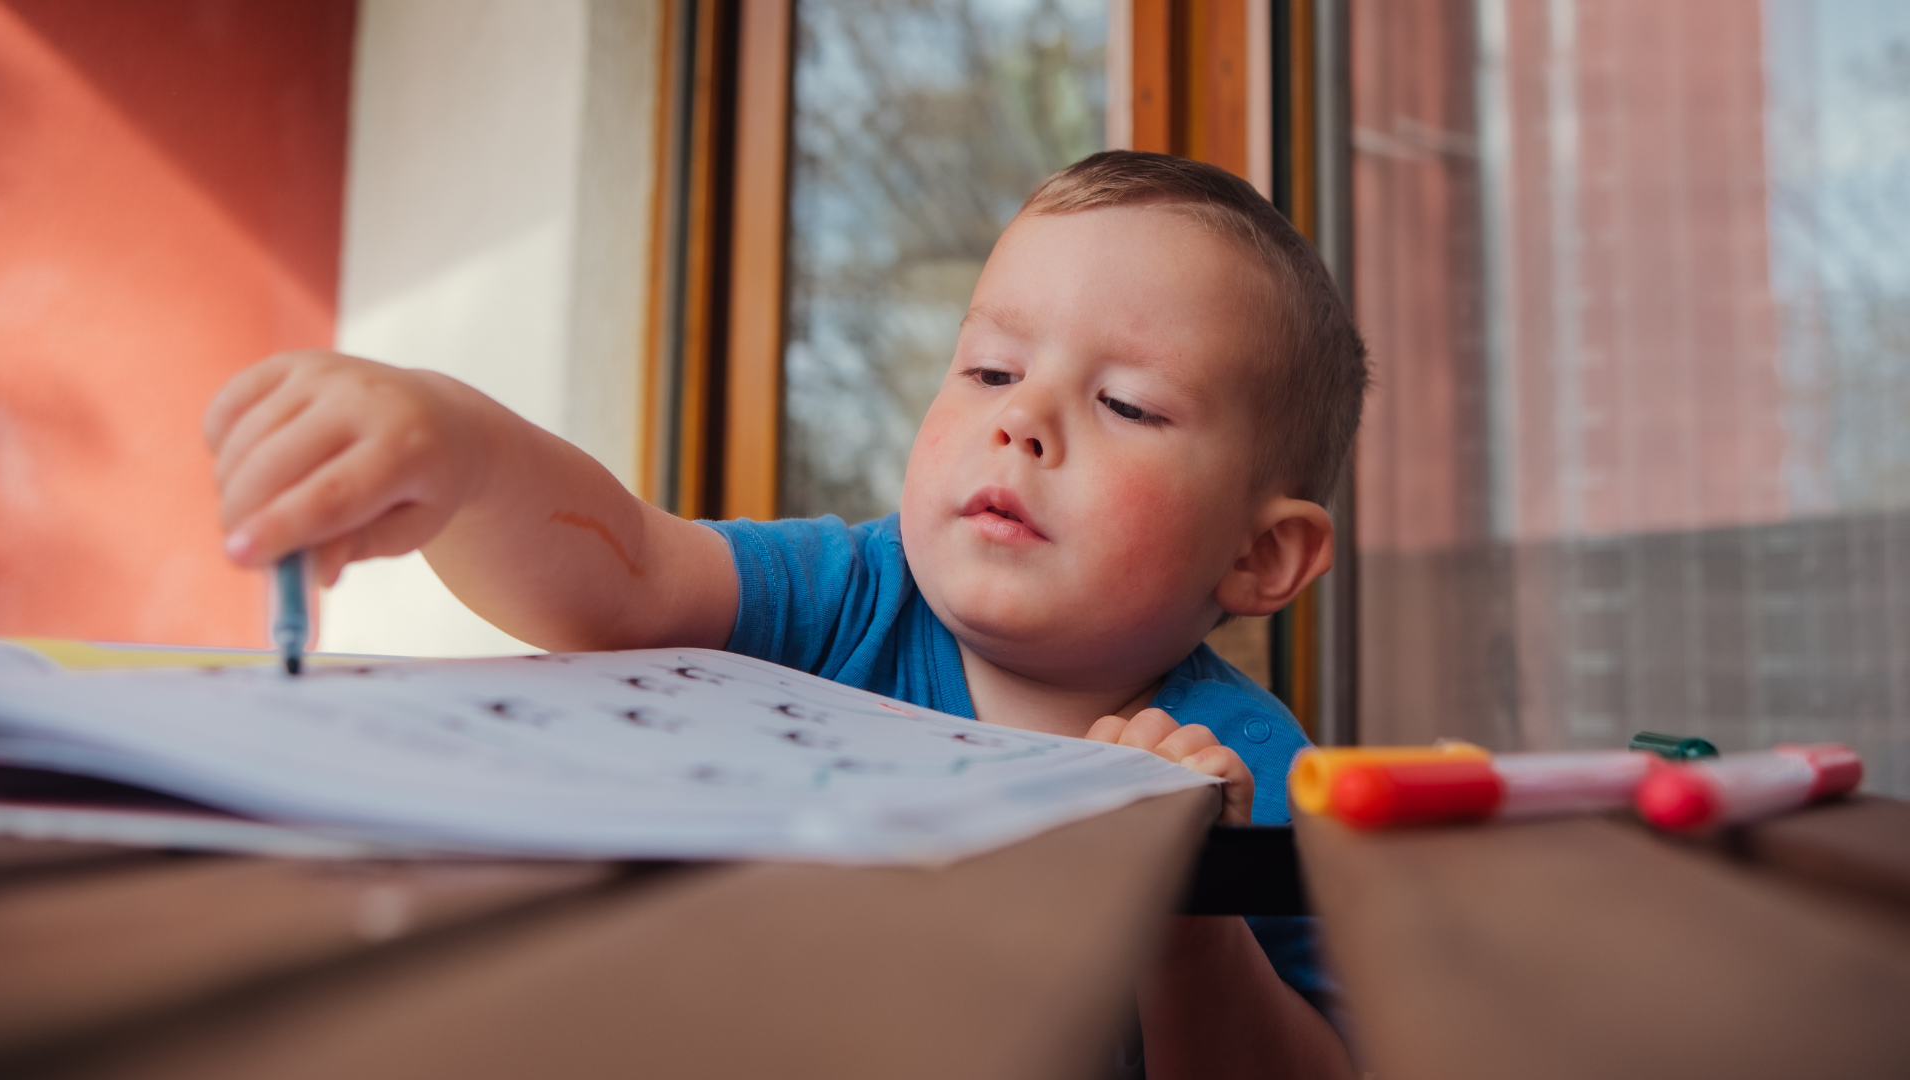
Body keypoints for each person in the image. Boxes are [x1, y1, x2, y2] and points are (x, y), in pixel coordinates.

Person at [204, 150, 1367, 1079]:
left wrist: (1190, 916)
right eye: (992, 372)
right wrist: (459, 449)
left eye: (1125, 403)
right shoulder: (852, 592)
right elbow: (625, 577)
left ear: (1262, 555)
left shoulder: (1247, 773)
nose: (1025, 423)